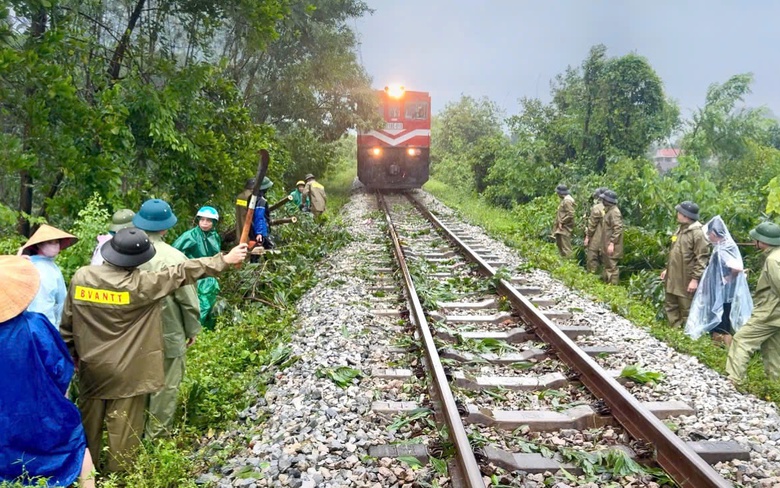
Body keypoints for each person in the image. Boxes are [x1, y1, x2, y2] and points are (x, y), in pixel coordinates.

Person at [60, 228, 247, 472]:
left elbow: (67, 323)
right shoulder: (141, 285)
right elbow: (181, 273)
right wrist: (224, 259)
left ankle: (83, 477)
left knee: (86, 433)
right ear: (138, 261)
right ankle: (120, 480)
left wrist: (71, 355)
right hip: (128, 377)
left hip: (91, 370)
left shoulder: (82, 278)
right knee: (123, 442)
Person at [0, 256, 95, 488]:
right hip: (42, 409)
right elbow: (60, 371)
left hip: (4, 421)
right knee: (76, 442)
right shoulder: (35, 325)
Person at [132, 199, 201, 438]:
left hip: (131, 333)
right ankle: (156, 440)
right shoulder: (174, 257)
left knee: (136, 383)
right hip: (168, 329)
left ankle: (130, 438)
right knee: (165, 385)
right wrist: (191, 330)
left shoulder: (123, 253)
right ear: (165, 228)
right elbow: (188, 300)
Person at [725, 222, 780, 383]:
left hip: (770, 310)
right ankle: (774, 386)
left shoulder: (773, 260)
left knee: (742, 340)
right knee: (773, 349)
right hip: (775, 313)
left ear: (763, 241)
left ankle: (734, 379)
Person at [685, 216, 752, 346]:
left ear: (714, 233)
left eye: (709, 235)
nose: (709, 238)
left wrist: (727, 278)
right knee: (720, 321)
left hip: (724, 294)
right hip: (722, 292)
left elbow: (737, 267)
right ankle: (718, 348)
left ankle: (725, 350)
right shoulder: (724, 246)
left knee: (723, 323)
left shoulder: (724, 248)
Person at [172, 206, 223, 329]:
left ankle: (208, 334)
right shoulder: (190, 236)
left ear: (214, 222)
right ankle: (195, 332)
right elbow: (173, 252)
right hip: (194, 275)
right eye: (202, 220)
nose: (205, 223)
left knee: (211, 306)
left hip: (210, 277)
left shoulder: (214, 236)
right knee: (201, 306)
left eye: (209, 220)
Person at [19, 224, 78, 330]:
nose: (55, 245)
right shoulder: (26, 263)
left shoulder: (54, 268)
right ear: (39, 245)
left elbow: (61, 302)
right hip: (33, 324)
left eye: (57, 242)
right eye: (50, 242)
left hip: (45, 325)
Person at [661, 201, 709, 327]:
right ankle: (675, 330)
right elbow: (674, 252)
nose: (677, 214)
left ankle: (688, 336)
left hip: (686, 277)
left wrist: (695, 279)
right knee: (671, 304)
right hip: (673, 275)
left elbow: (702, 258)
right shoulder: (680, 229)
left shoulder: (698, 233)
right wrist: (667, 270)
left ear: (686, 216)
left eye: (680, 212)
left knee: (686, 307)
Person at [600, 190, 624, 285]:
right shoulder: (609, 211)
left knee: (612, 267)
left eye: (604, 199)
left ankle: (613, 287)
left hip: (612, 245)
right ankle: (607, 285)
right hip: (607, 243)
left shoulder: (614, 212)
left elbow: (618, 228)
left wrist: (612, 243)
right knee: (608, 266)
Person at [584, 187, 607, 274]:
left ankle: (593, 277)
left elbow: (592, 225)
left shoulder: (597, 208)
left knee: (592, 258)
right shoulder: (614, 209)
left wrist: (587, 237)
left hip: (597, 238)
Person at [250, 177, 275, 249]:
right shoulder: (261, 200)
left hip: (253, 229)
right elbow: (259, 216)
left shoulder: (253, 198)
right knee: (269, 249)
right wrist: (259, 233)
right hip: (262, 230)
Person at [552, 184, 575, 257]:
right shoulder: (565, 200)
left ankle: (569, 263)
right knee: (560, 244)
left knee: (566, 247)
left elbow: (571, 214)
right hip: (561, 227)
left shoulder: (567, 201)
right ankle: (564, 262)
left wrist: (562, 222)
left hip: (565, 227)